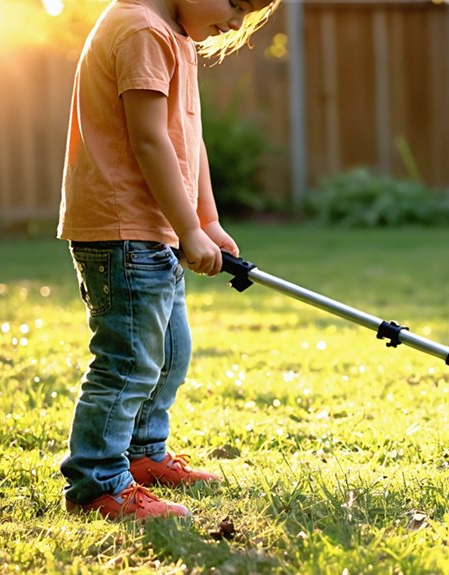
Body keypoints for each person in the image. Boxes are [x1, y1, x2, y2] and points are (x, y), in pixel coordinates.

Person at [57, 0, 279, 521]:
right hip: (122, 227)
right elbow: (150, 141)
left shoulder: (173, 35)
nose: (235, 24)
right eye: (236, 5)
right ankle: (96, 483)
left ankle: (143, 456)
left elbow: (188, 141)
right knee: (129, 361)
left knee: (170, 351)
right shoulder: (141, 29)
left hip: (153, 228)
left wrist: (207, 220)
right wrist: (186, 229)